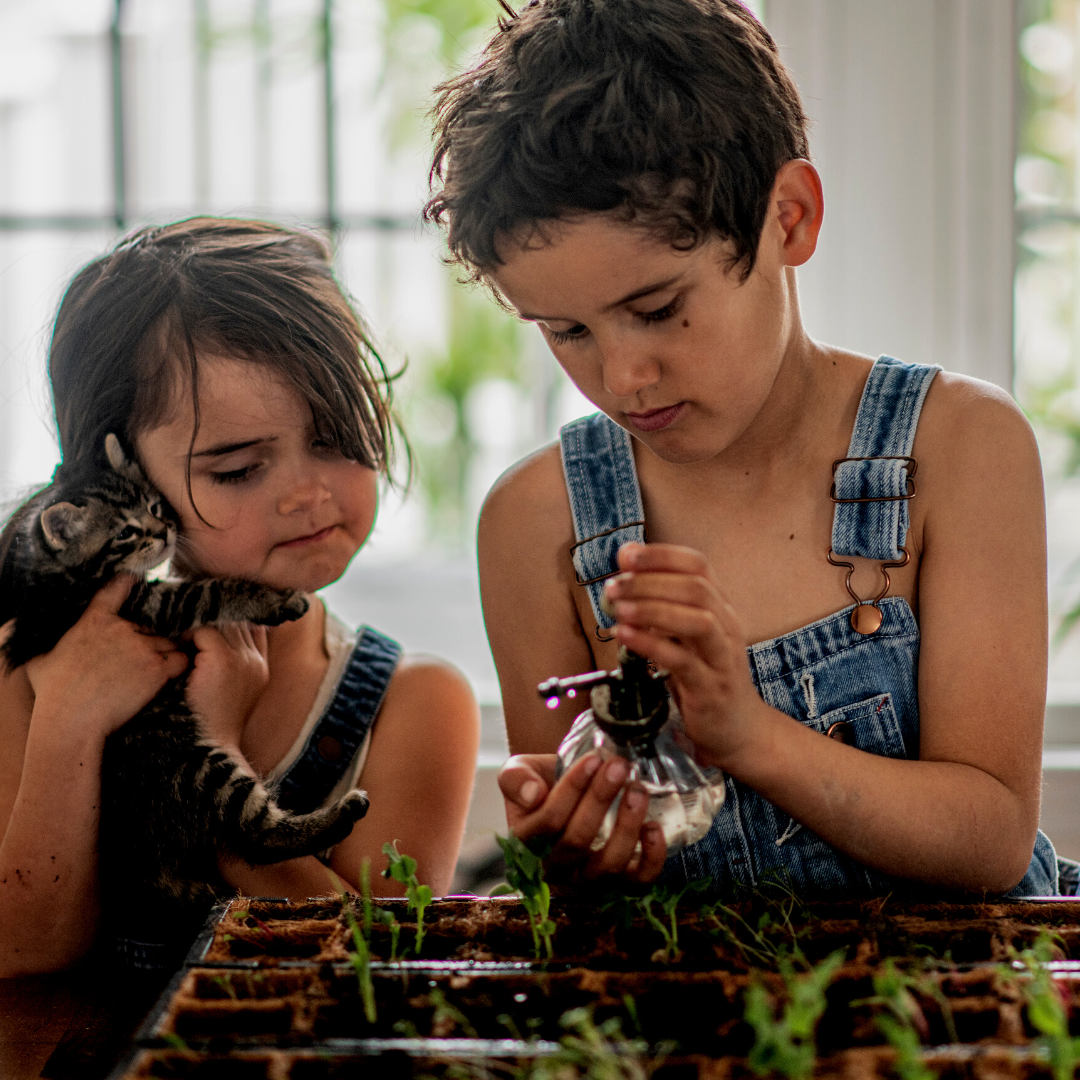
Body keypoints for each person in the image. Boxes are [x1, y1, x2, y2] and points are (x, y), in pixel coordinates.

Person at [426, 0, 1063, 898]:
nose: (624, 375)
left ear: (790, 219)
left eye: (657, 309)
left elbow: (991, 841)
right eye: (565, 330)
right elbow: (593, 888)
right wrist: (575, 849)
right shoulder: (536, 525)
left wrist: (743, 732)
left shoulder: (958, 449)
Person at [0, 218, 479, 976]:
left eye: (336, 438)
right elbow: (22, 954)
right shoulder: (34, 663)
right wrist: (70, 718)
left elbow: (371, 968)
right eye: (237, 469)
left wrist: (213, 770)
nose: (308, 492)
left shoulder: (414, 705)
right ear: (123, 472)